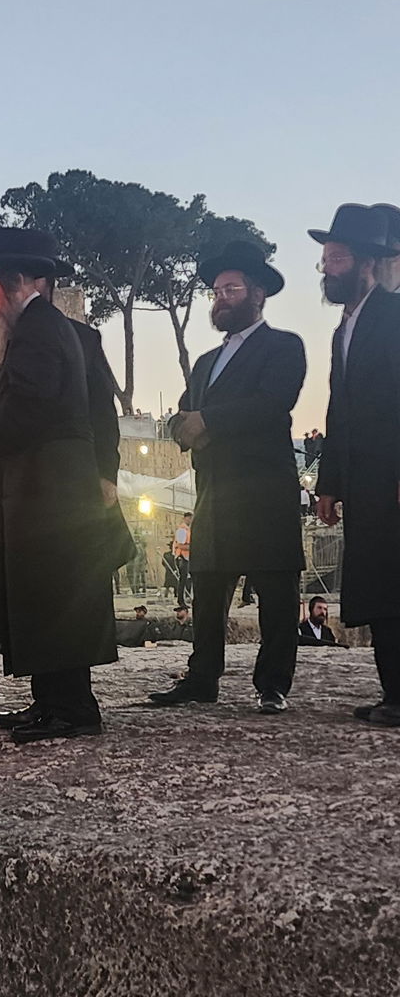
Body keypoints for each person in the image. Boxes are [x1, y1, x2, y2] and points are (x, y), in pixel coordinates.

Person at [0, 228, 118, 741]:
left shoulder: (39, 329)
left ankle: (74, 710)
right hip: (41, 482)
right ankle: (50, 703)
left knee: (56, 595)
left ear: (17, 281)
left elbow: (27, 410)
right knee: (42, 595)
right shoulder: (31, 326)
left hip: (55, 485)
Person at [151, 242, 305, 715]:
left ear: (258, 293)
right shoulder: (204, 363)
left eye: (231, 289)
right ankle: (202, 678)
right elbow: (183, 412)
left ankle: (273, 683)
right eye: (216, 291)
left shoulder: (284, 346)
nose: (221, 298)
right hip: (215, 493)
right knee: (208, 588)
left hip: (264, 490)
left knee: (275, 590)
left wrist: (208, 422)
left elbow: (271, 404)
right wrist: (181, 426)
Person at [313, 204, 400, 725]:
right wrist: (329, 483)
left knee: (394, 584)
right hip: (364, 481)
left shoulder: (394, 315)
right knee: (380, 586)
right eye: (325, 259)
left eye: (338, 258)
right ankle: (394, 691)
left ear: (367, 262)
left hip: (391, 477)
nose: (328, 268)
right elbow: (337, 411)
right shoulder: (344, 328)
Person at [169, 514, 193, 606]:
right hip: (182, 557)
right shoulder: (182, 530)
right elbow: (180, 545)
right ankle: (180, 600)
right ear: (185, 518)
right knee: (182, 580)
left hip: (185, 557)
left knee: (184, 579)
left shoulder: (187, 529)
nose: (190, 520)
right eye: (189, 518)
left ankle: (182, 599)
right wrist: (192, 547)